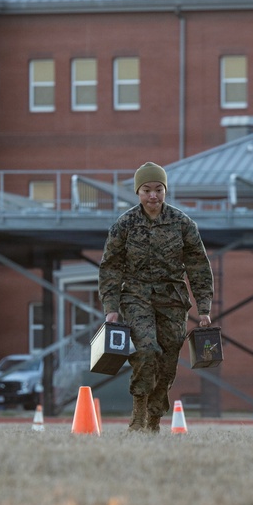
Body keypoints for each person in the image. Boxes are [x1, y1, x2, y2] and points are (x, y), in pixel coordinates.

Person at [98, 162, 214, 433]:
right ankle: (138, 411)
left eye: (158, 189)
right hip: (136, 296)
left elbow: (198, 266)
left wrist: (204, 307)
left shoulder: (182, 224)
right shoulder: (125, 224)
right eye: (146, 190)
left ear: (165, 191)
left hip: (172, 299)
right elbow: (111, 266)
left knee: (167, 360)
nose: (153, 196)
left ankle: (154, 417)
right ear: (138, 192)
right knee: (146, 351)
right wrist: (111, 307)